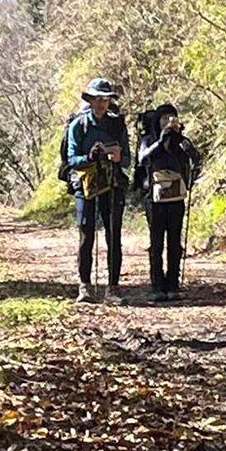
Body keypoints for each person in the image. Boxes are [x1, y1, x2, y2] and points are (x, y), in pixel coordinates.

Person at [66, 78, 131, 305]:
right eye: (98, 99)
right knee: (86, 233)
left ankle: (112, 288)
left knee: (113, 235)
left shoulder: (117, 125)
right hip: (86, 185)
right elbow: (71, 160)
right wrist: (90, 157)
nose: (102, 103)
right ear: (91, 100)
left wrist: (116, 156)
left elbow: (127, 160)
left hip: (112, 184)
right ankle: (84, 286)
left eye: (106, 99)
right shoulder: (78, 125)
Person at [134, 103, 202, 302]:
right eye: (164, 119)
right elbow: (142, 159)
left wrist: (181, 141)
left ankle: (173, 283)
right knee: (156, 242)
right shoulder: (149, 140)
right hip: (153, 198)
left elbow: (196, 159)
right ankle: (157, 286)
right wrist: (160, 142)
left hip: (176, 196)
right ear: (158, 121)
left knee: (174, 241)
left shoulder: (181, 142)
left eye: (171, 118)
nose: (168, 122)